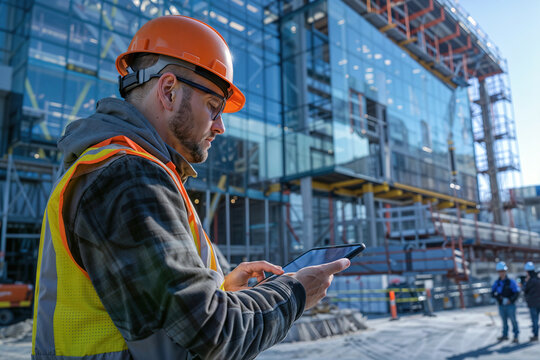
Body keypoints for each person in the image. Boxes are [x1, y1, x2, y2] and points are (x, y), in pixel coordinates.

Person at [31, 15, 350, 360]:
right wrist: (295, 292)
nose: (220, 127)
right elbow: (211, 335)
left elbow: (161, 316)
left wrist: (223, 288)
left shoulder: (134, 170)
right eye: (214, 108)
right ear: (168, 91)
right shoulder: (128, 177)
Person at [491, 261, 520, 343]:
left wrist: (510, 300)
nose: (501, 273)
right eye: (500, 271)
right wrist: (498, 298)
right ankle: (505, 335)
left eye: (503, 271)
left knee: (513, 321)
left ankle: (516, 336)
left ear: (505, 271)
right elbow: (492, 293)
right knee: (504, 322)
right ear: (498, 272)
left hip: (510, 305)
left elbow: (517, 292)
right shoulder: (497, 283)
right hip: (501, 305)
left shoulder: (511, 282)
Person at [523, 262, 540, 341]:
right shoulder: (538, 278)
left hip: (533, 303)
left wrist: (525, 282)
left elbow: (525, 290)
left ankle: (535, 335)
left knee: (535, 320)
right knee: (536, 320)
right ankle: (535, 334)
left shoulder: (529, 281)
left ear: (527, 271)